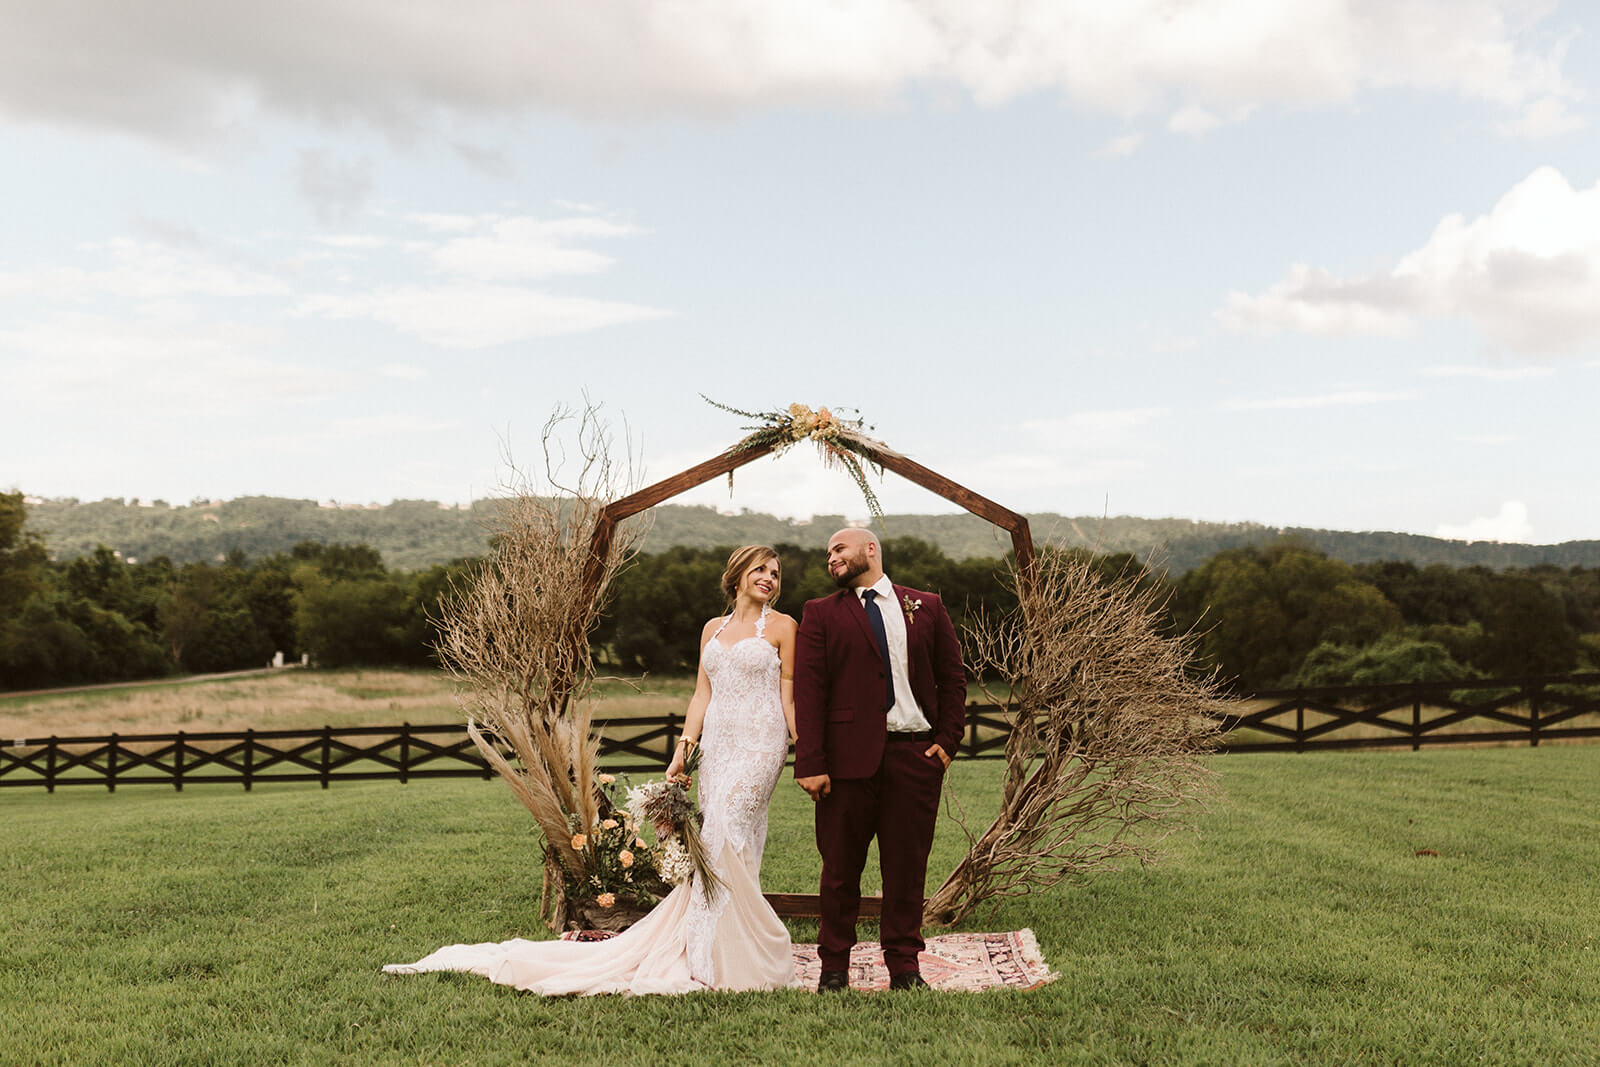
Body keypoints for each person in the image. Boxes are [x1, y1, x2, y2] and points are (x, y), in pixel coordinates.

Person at [384, 546, 798, 994]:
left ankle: (739, 950)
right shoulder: (711, 631)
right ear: (736, 575)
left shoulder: (783, 627)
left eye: (775, 573)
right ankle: (718, 946)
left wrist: (808, 750)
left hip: (761, 743)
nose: (769, 578)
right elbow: (702, 694)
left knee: (730, 830)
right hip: (717, 748)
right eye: (760, 569)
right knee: (718, 834)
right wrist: (684, 747)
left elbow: (789, 695)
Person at [793, 528, 966, 992]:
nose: (831, 558)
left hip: (915, 757)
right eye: (827, 554)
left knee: (907, 870)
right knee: (839, 871)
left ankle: (905, 968)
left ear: (870, 549)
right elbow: (808, 692)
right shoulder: (820, 613)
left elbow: (953, 678)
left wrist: (947, 742)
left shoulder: (925, 605)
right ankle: (833, 967)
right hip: (846, 766)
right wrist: (810, 761)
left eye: (838, 549)